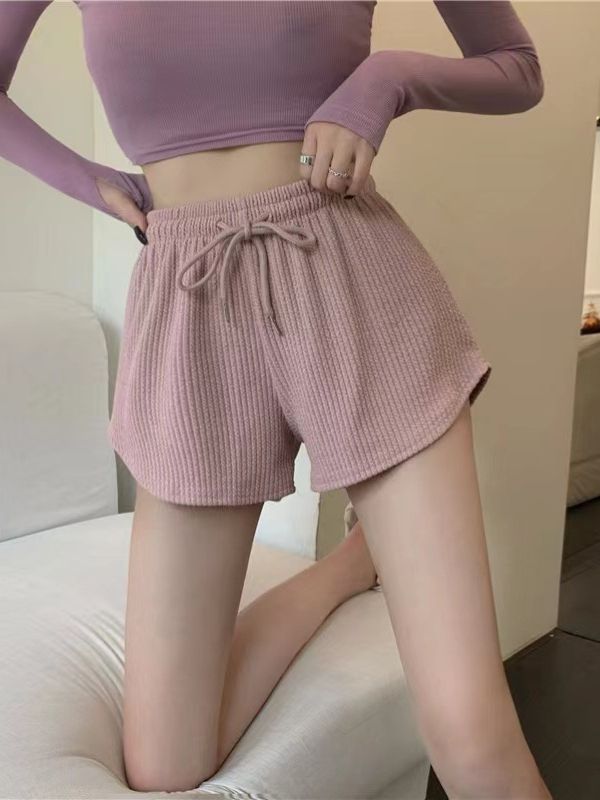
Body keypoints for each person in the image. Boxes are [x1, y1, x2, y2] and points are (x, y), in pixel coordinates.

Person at [0, 1, 551, 797]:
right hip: (188, 308)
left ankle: (359, 560)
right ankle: (347, 568)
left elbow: (517, 68)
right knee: (165, 766)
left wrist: (389, 78)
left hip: (352, 276)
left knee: (472, 740)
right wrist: (88, 180)